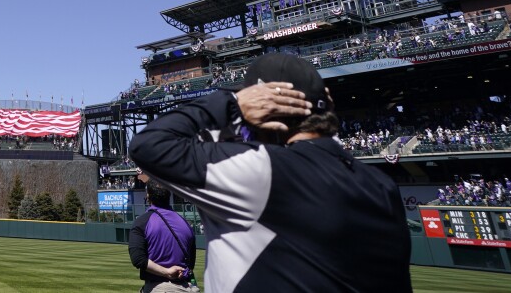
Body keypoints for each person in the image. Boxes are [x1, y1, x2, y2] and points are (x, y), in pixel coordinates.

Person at [129, 53, 411, 292]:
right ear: (328, 101)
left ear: (265, 110)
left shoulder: (262, 169)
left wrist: (231, 104)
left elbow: (149, 145)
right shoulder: (382, 185)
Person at [128, 180, 200, 292]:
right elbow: (191, 263)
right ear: (168, 196)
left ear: (148, 196)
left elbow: (138, 259)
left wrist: (167, 272)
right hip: (187, 287)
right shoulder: (185, 222)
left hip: (160, 287)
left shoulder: (142, 222)